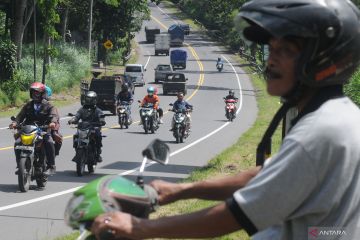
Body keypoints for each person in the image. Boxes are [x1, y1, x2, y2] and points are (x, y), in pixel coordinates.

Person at [91, 0, 360, 239]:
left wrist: (138, 228)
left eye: (286, 50)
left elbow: (233, 216)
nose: (271, 61)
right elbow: (267, 175)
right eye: (271, 49)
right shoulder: (341, 118)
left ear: (324, 60)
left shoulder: (317, 133)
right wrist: (181, 190)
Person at [9, 82, 59, 175]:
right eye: (33, 92)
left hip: (43, 130)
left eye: (37, 92)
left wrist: (52, 122)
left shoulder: (49, 105)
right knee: (17, 143)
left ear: (42, 93)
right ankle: (20, 165)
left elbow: (54, 115)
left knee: (49, 142)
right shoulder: (28, 105)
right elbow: (20, 116)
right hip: (29, 130)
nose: (35, 94)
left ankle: (51, 166)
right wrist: (15, 122)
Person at [68, 91, 106, 162]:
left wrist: (101, 121)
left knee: (98, 136)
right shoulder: (82, 109)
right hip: (83, 128)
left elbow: (101, 117)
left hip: (94, 127)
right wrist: (72, 120)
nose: (89, 101)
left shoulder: (97, 110)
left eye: (91, 99)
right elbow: (77, 116)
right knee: (76, 136)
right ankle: (77, 152)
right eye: (88, 99)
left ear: (95, 100)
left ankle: (98, 153)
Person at [44, 85, 63, 156]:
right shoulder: (33, 104)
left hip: (48, 127)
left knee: (57, 136)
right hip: (36, 126)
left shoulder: (51, 106)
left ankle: (54, 153)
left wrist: (53, 126)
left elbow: (56, 118)